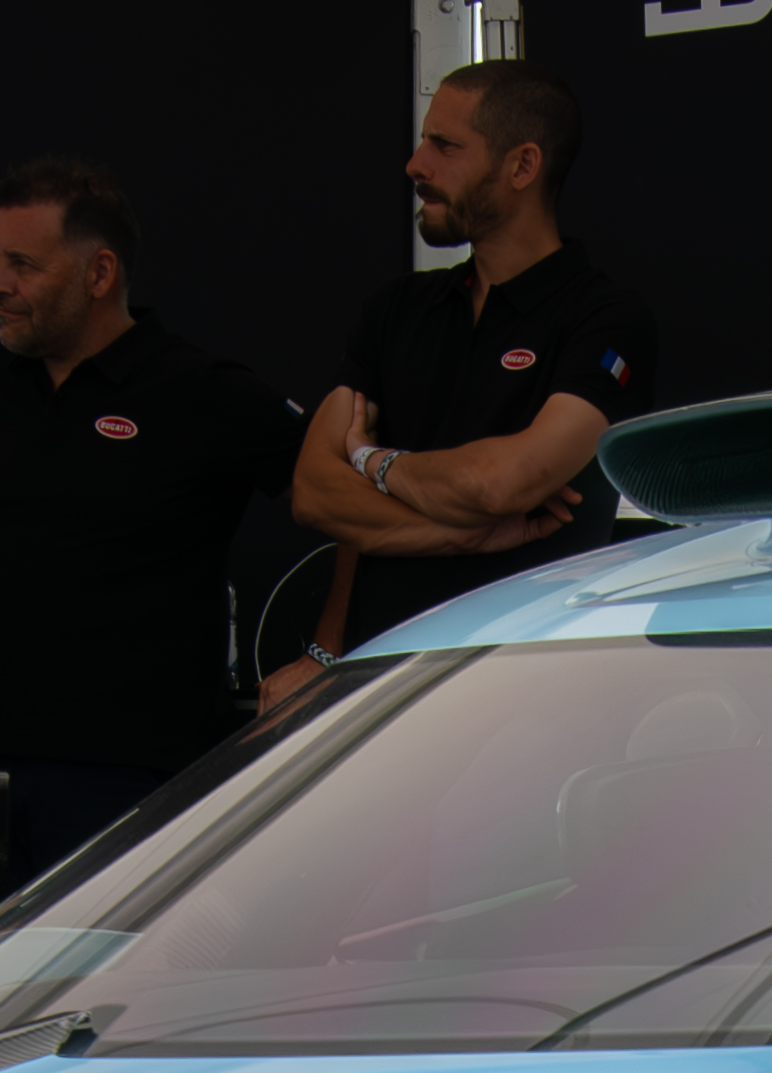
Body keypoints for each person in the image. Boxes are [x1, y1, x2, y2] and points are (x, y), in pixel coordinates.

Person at [0, 158, 305, 876]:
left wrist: (324, 653)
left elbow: (352, 509)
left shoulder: (199, 390)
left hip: (139, 777)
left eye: (22, 264)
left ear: (99, 273)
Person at [272, 60, 652, 712]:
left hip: (530, 697)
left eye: (444, 146)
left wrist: (371, 461)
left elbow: (499, 485)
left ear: (522, 165)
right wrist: (465, 534)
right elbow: (314, 494)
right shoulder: (395, 308)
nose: (415, 165)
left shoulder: (605, 318)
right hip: (380, 694)